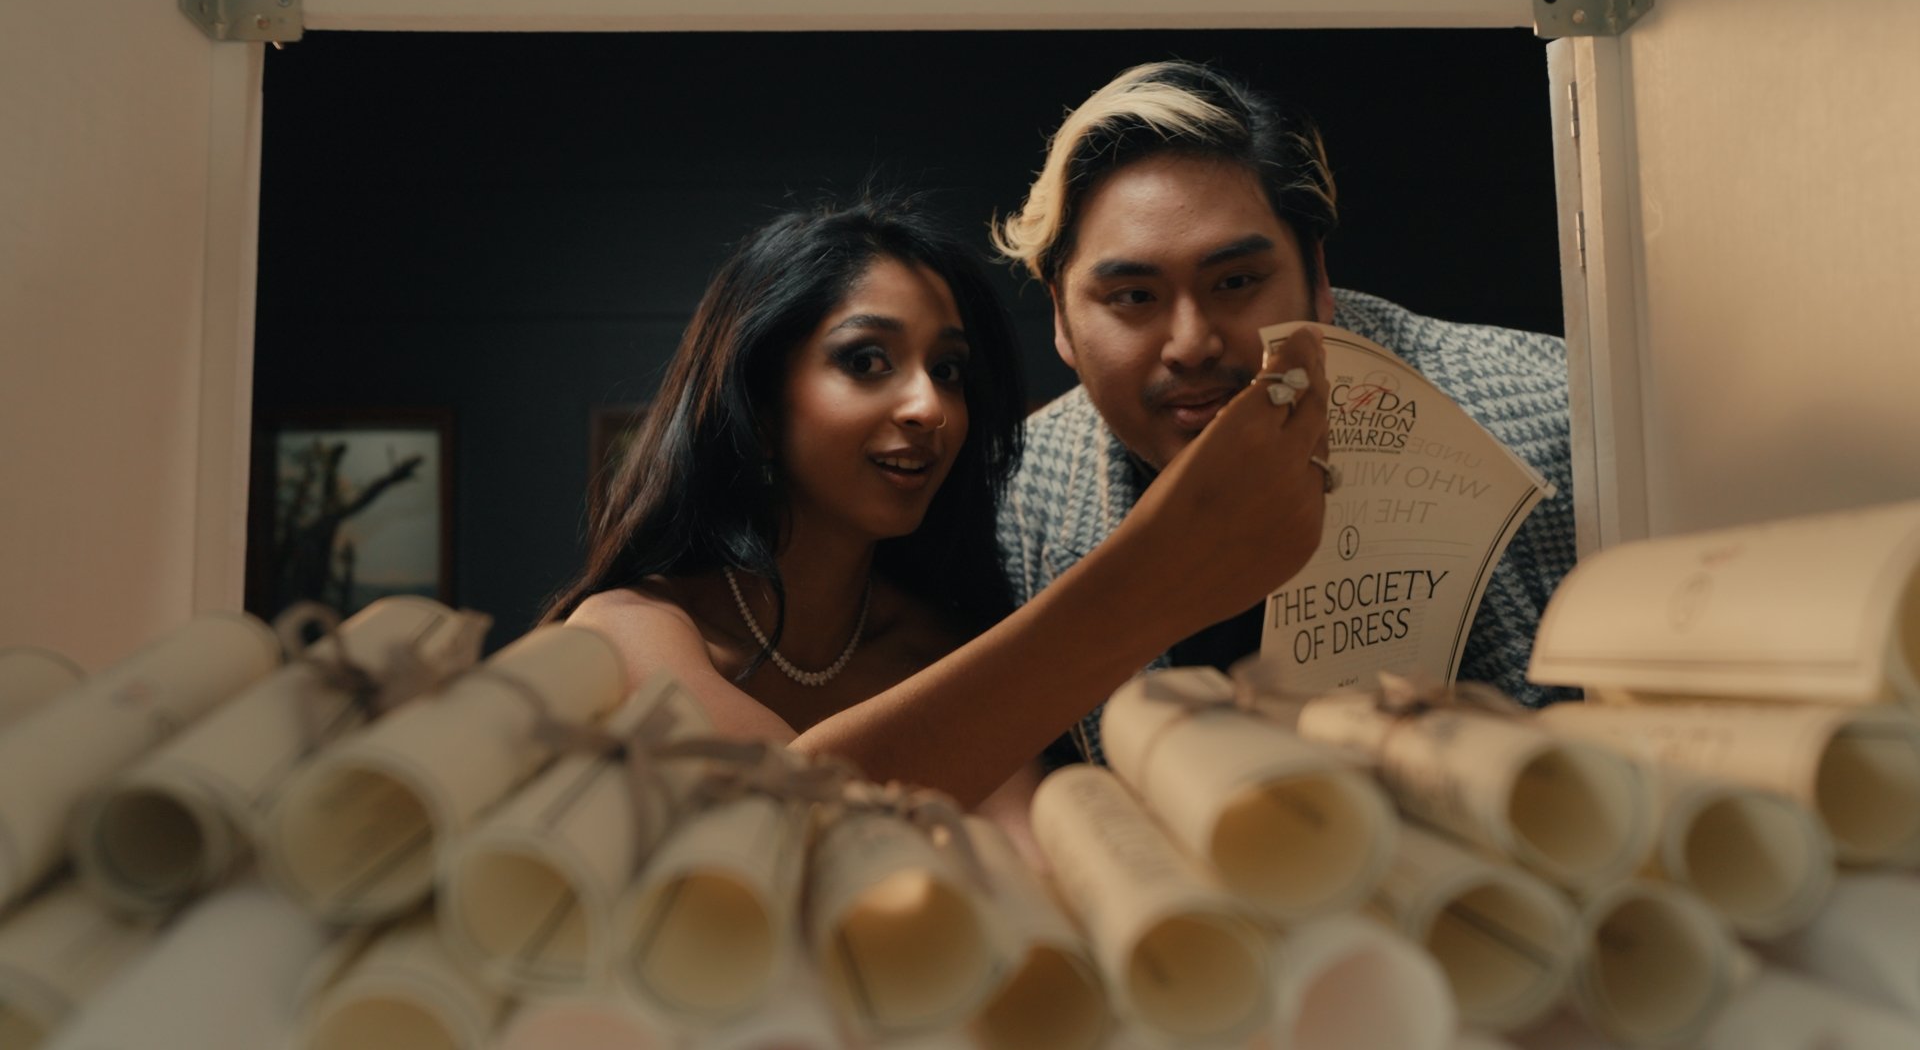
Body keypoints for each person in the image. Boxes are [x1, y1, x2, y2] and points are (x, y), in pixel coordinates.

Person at [545, 194, 1335, 810]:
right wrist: (1157, 577)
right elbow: (779, 819)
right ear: (759, 400)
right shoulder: (628, 632)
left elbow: (1035, 867)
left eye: (950, 370)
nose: (931, 407)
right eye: (866, 360)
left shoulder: (943, 650)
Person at [991, 60, 1579, 765]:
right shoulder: (1011, 505)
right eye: (1134, 298)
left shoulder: (1561, 416)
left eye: (1236, 281)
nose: (1191, 344)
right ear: (1061, 317)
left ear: (1318, 279)